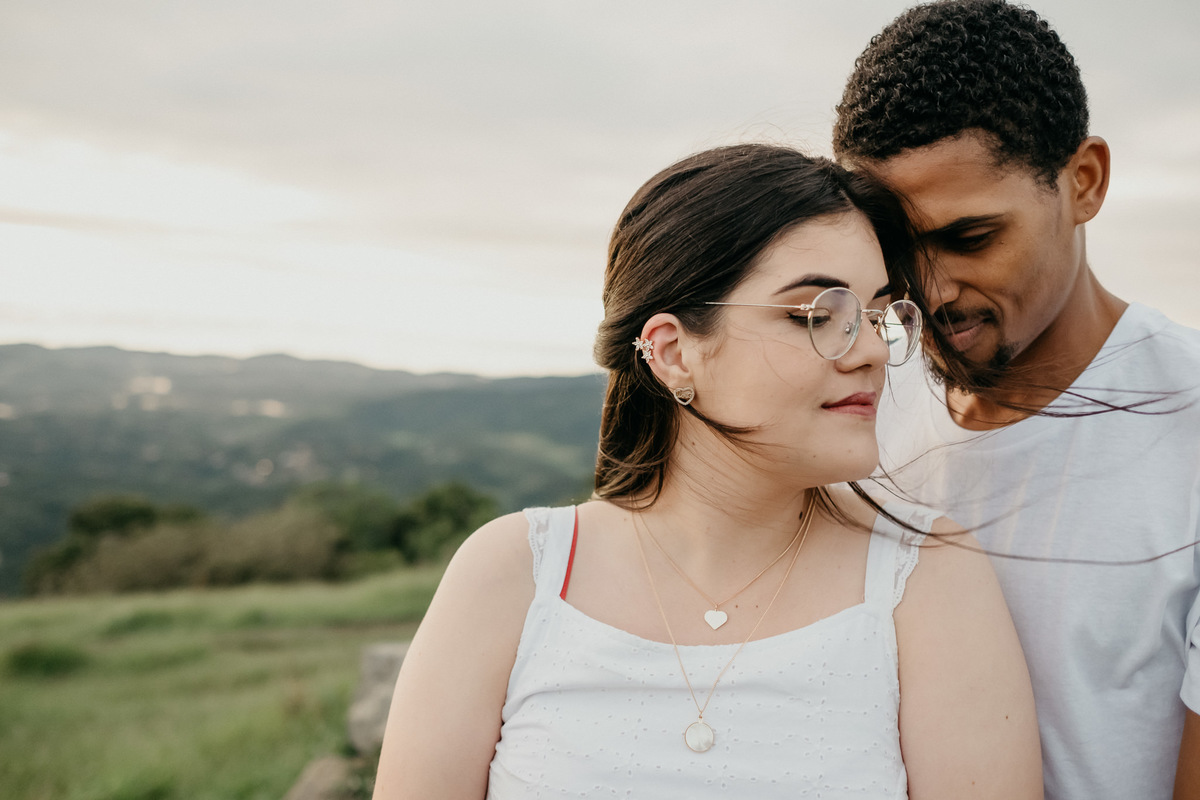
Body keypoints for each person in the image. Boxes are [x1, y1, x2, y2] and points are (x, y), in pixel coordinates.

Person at [371, 143, 1041, 799]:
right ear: (672, 352)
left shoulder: (925, 576)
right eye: (817, 314)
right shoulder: (517, 573)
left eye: (875, 314)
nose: (871, 349)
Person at [832, 2, 1200, 799]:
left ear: (1083, 182)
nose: (929, 292)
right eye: (897, 249)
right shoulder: (849, 410)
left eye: (970, 239)